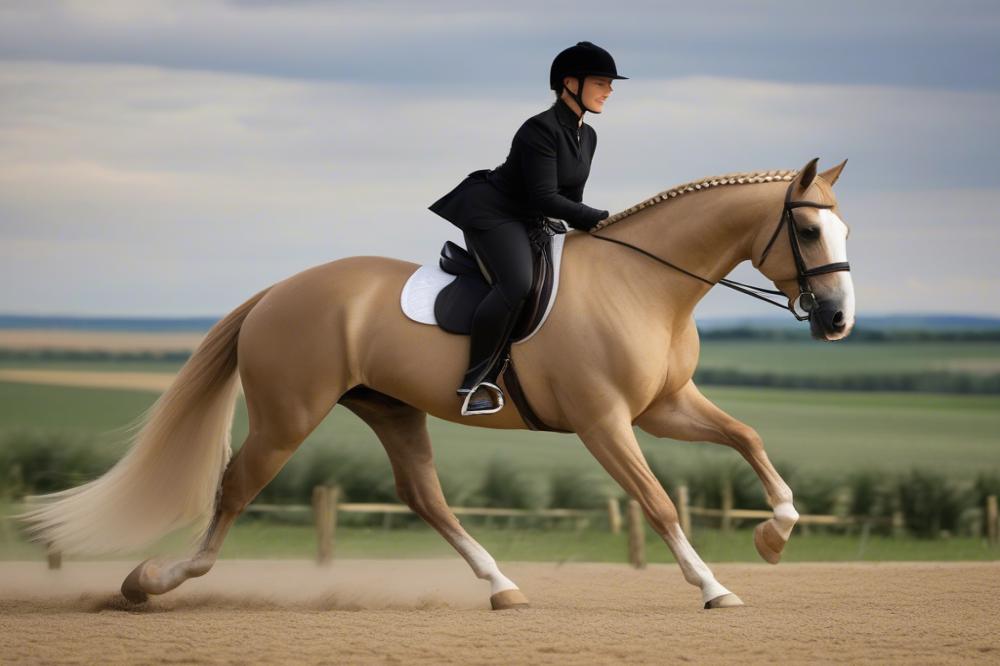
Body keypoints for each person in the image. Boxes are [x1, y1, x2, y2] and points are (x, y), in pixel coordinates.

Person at [428, 41, 627, 416]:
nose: (610, 90)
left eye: (610, 84)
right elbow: (546, 197)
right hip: (494, 213)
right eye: (601, 82)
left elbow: (571, 200)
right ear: (570, 83)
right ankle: (476, 381)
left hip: (533, 216)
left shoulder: (589, 136)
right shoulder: (540, 129)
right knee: (517, 283)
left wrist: (596, 228)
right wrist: (600, 218)